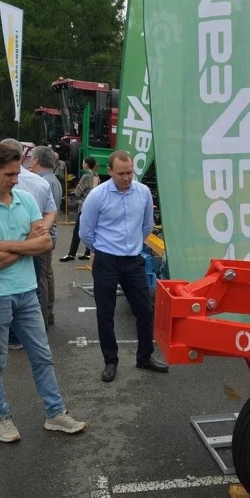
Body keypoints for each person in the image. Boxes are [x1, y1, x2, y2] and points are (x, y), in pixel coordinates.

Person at [0, 143, 87, 443]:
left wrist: (2, 244)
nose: (15, 180)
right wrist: (25, 244)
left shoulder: (26, 199)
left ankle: (55, 413)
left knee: (42, 356)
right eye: (9, 174)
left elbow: (45, 244)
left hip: (27, 291)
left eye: (17, 173)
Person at [79, 150, 168, 382]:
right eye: (121, 174)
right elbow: (86, 232)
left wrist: (133, 245)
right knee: (105, 313)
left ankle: (145, 356)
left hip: (133, 260)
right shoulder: (97, 196)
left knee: (145, 311)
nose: (126, 178)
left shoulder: (143, 192)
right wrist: (103, 249)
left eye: (130, 172)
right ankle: (111, 361)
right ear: (109, 171)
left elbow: (147, 225)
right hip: (106, 260)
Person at [0, 139, 57, 338]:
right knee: (34, 287)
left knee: (7, 288)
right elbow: (51, 211)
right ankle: (35, 331)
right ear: (23, 154)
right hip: (33, 246)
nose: (13, 180)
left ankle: (14, 334)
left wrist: (37, 234)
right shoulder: (39, 182)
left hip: (6, 245)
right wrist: (39, 233)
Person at [29, 146, 61, 327]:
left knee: (40, 277)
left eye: (31, 158)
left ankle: (41, 318)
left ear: (36, 160)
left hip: (43, 235)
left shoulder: (42, 182)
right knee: (47, 274)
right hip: (50, 234)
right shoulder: (53, 180)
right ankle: (48, 313)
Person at [59, 156, 98, 262]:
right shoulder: (96, 175)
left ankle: (71, 253)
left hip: (84, 205)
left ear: (86, 164)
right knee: (90, 229)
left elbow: (77, 192)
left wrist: (77, 197)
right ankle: (88, 252)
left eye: (83, 162)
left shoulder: (86, 176)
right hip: (93, 206)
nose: (82, 164)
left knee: (77, 230)